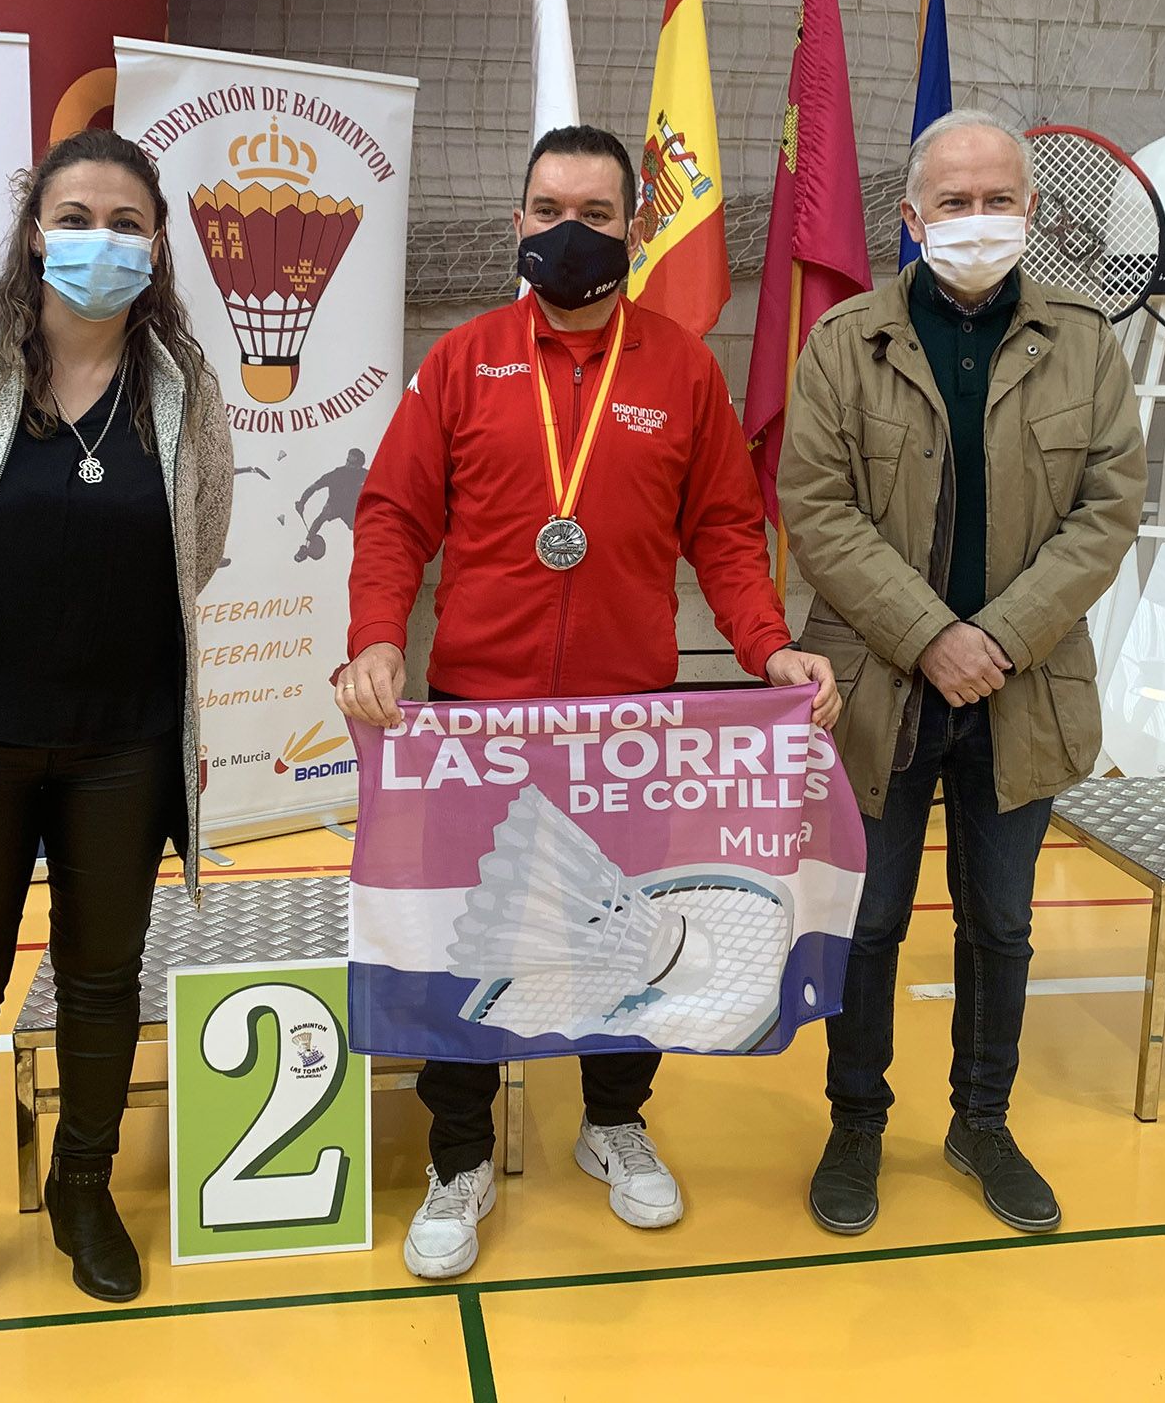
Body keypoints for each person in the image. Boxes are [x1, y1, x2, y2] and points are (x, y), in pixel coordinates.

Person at [337, 124, 842, 1281]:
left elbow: (720, 529)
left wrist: (765, 645)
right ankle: (459, 1155)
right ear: (518, 222)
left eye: (597, 214)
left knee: (636, 936)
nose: (570, 231)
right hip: (477, 722)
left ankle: (614, 1121)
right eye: (548, 209)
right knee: (463, 944)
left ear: (631, 229)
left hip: (630, 726)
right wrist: (373, 638)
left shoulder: (679, 368)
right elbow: (393, 518)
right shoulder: (463, 361)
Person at [0, 128, 234, 1341]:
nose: (100, 242)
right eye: (76, 216)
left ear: (159, 243)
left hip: (122, 740)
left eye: (127, 223)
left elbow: (201, 548)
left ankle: (82, 1192)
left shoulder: (182, 388)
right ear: (33, 231)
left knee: (102, 978)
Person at [778, 109, 1144, 1239]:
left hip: (1019, 692)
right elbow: (816, 510)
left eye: (996, 202)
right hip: (880, 689)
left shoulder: (1083, 341)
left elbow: (1107, 509)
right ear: (910, 215)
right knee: (871, 920)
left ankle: (981, 1122)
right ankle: (855, 1122)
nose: (975, 221)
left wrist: (999, 639)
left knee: (999, 924)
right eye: (953, 202)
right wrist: (932, 634)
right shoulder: (845, 340)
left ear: (1030, 213)